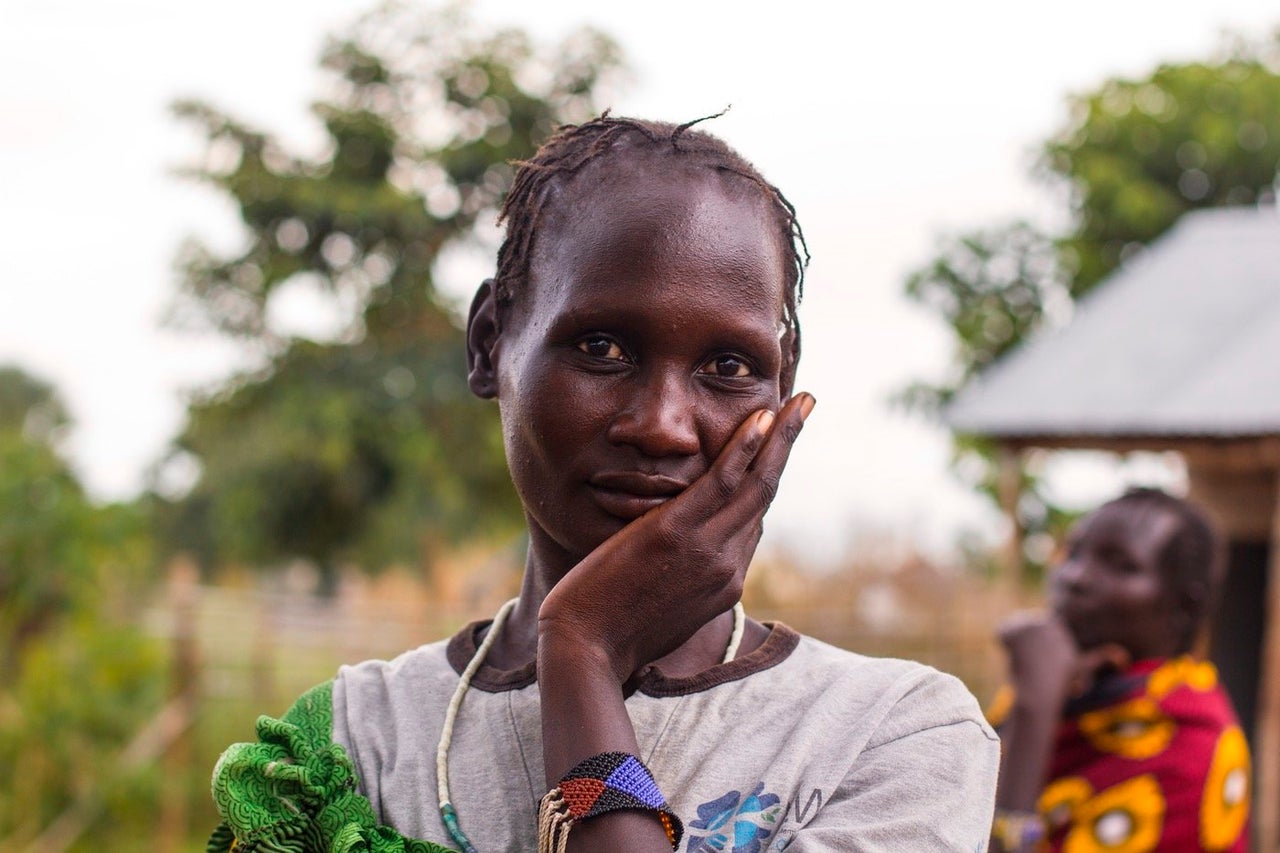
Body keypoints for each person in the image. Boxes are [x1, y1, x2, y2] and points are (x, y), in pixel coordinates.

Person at [207, 114, 1000, 853]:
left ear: (782, 384)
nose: (663, 424)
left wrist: (582, 646)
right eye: (601, 347)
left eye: (729, 367)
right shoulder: (351, 745)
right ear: (490, 344)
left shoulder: (892, 736)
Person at [988, 487, 1251, 852]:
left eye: (1121, 565)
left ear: (1184, 608)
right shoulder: (1073, 691)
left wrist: (1035, 707)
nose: (1074, 577)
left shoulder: (1194, 756)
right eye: (1074, 553)